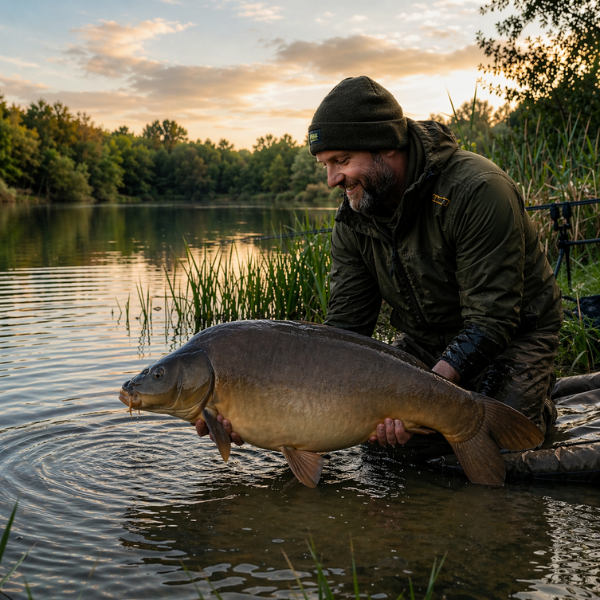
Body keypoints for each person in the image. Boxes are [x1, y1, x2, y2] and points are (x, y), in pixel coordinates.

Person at [195, 76, 562, 449]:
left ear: (386, 146)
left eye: (341, 161)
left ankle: (542, 404)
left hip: (515, 334)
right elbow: (344, 333)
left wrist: (423, 395)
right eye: (325, 164)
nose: (331, 179)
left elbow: (493, 320)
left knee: (504, 446)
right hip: (426, 342)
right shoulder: (354, 220)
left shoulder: (477, 189)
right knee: (386, 450)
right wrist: (267, 414)